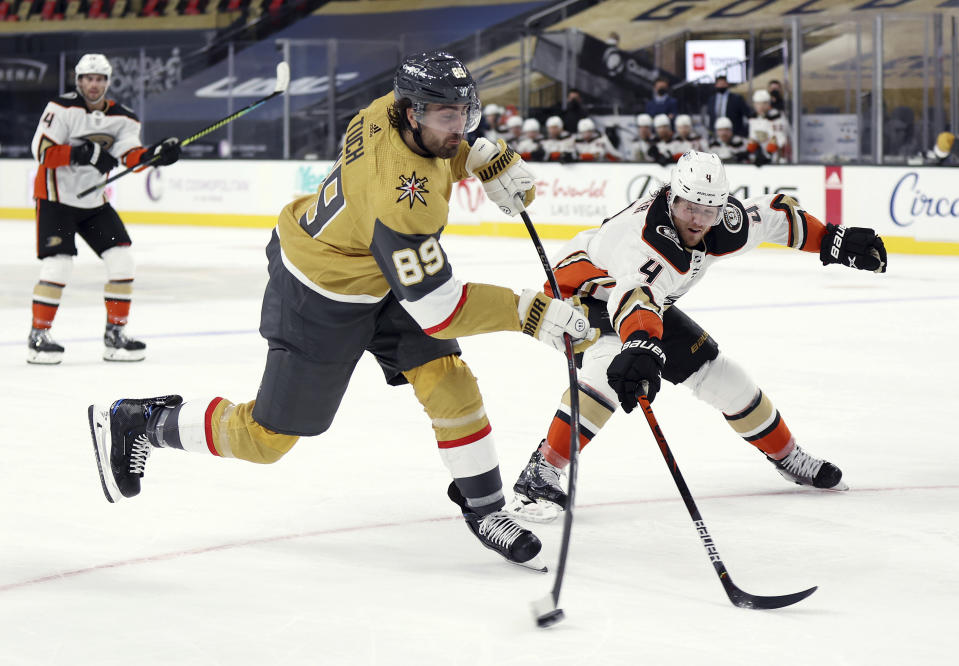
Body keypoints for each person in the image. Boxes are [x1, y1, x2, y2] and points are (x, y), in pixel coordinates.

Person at [86, 50, 594, 571]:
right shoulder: (401, 197)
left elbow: (443, 153)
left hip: (376, 270)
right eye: (449, 117)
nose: (461, 126)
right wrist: (530, 314)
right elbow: (441, 310)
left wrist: (481, 159)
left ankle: (485, 510)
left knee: (449, 380)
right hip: (319, 292)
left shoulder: (388, 108)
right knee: (267, 440)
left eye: (467, 112)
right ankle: (141, 421)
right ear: (414, 112)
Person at [506, 151, 888, 522]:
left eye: (708, 211)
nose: (698, 220)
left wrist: (831, 240)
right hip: (580, 293)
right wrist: (641, 342)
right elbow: (632, 297)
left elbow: (775, 216)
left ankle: (788, 457)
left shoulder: (724, 223)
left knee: (725, 379)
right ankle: (541, 472)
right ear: (671, 198)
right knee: (608, 368)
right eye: (690, 207)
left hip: (642, 301)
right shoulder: (647, 245)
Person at [27, 53, 181, 365]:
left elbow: (131, 156)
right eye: (88, 78)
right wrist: (84, 153)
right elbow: (42, 151)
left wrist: (155, 155)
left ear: (107, 82)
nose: (94, 84)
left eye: (99, 79)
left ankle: (115, 336)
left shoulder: (123, 118)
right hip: (55, 199)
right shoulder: (61, 108)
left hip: (93, 202)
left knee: (122, 261)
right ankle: (38, 337)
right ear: (79, 80)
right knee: (59, 265)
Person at [748, 89, 791, 164]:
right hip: (764, 156)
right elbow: (753, 140)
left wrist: (767, 156)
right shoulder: (753, 118)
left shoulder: (777, 116)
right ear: (754, 104)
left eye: (764, 103)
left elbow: (779, 141)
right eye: (758, 104)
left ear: (769, 104)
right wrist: (749, 154)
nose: (761, 106)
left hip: (779, 158)